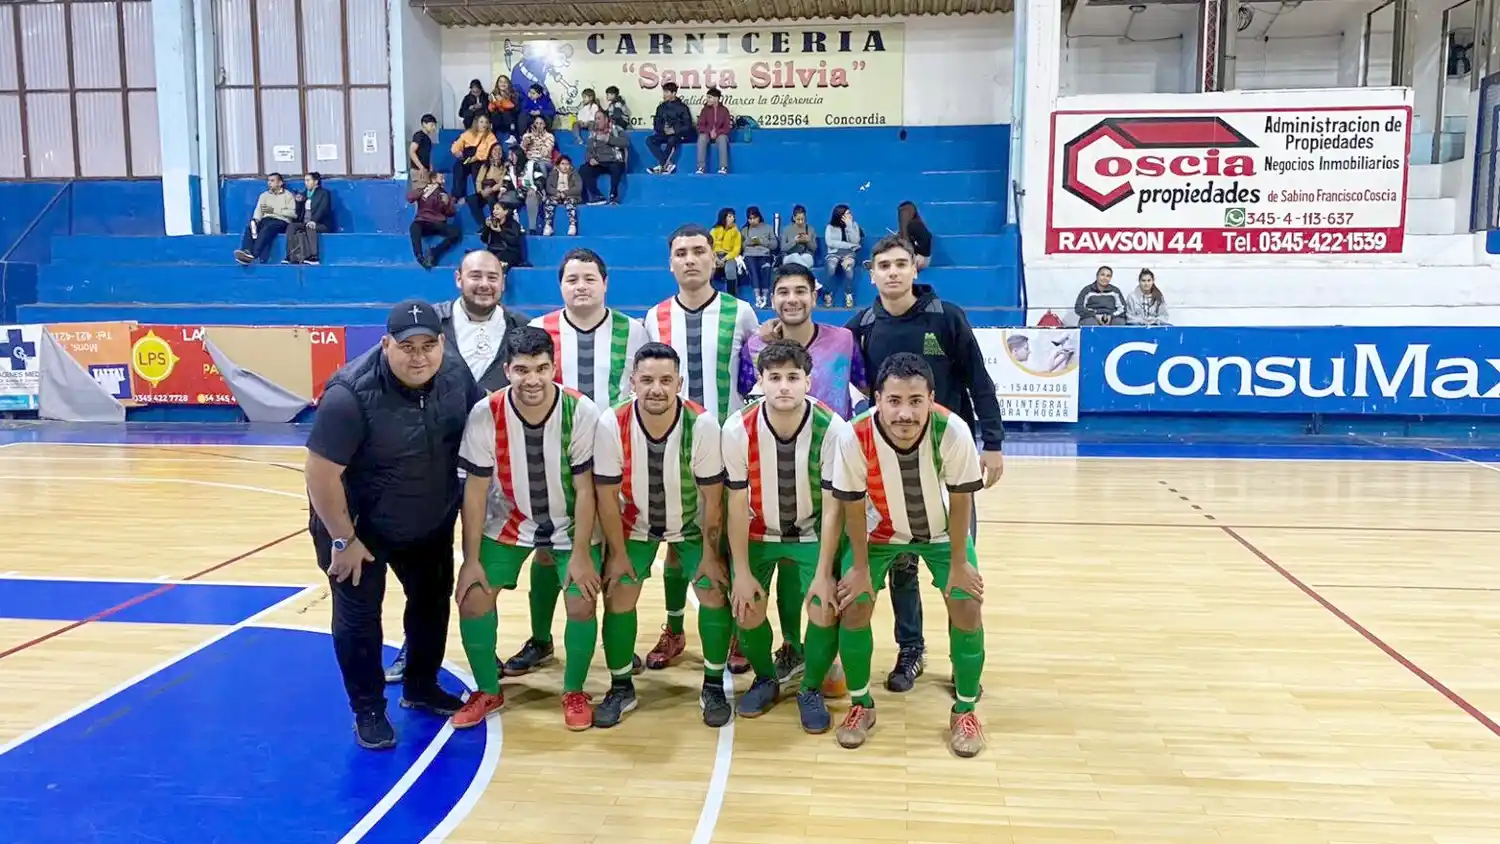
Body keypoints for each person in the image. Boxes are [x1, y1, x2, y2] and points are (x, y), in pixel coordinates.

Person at [304, 299, 483, 749]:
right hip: (358, 528)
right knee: (359, 619)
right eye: (407, 346)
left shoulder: (457, 377)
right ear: (386, 345)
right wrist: (342, 540)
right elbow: (320, 473)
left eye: (428, 345)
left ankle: (420, 686)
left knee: (430, 603)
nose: (418, 356)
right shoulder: (349, 395)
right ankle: (367, 709)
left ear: (442, 344)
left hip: (426, 519)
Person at [846, 234, 1005, 695]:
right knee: (900, 567)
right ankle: (910, 648)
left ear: (915, 269)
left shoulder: (947, 317)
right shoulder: (862, 325)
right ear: (871, 273)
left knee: (958, 564)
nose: (893, 272)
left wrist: (991, 442)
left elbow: (979, 381)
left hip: (948, 466)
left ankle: (964, 656)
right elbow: (820, 355)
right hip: (892, 465)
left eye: (901, 264)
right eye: (883, 265)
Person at [495, 248, 647, 680]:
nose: (581, 286)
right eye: (572, 279)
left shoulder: (631, 330)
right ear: (560, 285)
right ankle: (542, 640)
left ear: (605, 283)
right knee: (548, 552)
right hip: (549, 460)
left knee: (610, 551)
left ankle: (615, 645)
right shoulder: (539, 329)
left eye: (589, 278)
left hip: (614, 460)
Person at [827, 352, 988, 757]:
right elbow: (850, 504)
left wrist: (957, 564)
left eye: (916, 401)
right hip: (879, 533)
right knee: (855, 605)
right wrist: (860, 569)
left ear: (931, 399)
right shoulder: (853, 435)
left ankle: (965, 710)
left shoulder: (952, 430)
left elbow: (962, 497)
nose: (904, 413)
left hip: (940, 532)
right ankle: (861, 704)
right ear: (876, 399)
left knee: (966, 604)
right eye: (894, 401)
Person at [384, 250, 531, 686]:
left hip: (499, 468)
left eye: (492, 276)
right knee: (427, 572)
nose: (484, 284)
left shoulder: (524, 327)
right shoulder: (431, 324)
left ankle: (488, 652)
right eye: (475, 276)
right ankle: (417, 649)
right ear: (458, 278)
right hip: (434, 463)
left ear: (503, 281)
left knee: (485, 561)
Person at [450, 326, 603, 730]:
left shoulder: (580, 411)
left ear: (554, 366)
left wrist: (584, 554)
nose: (532, 379)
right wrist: (469, 560)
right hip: (509, 522)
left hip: (570, 524)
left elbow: (587, 490)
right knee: (472, 598)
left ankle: (573, 690)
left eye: (541, 368)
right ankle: (488, 690)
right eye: (521, 370)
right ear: (506, 370)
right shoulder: (486, 413)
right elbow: (476, 492)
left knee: (582, 600)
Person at [733, 263, 862, 688]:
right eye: (783, 291)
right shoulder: (756, 345)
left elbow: (866, 386)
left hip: (829, 465)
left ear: (815, 294)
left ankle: (821, 650)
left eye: (800, 291)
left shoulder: (843, 339)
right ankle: (789, 644)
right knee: (782, 561)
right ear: (772, 299)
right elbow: (745, 392)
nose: (792, 299)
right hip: (774, 461)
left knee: (817, 564)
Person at [591, 342, 731, 728]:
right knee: (618, 590)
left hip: (690, 524)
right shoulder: (611, 422)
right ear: (633, 382)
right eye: (647, 380)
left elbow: (712, 497)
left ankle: (714, 684)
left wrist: (709, 553)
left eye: (666, 380)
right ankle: (621, 687)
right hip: (634, 524)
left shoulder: (701, 424)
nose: (657, 388)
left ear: (679, 383)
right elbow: (605, 495)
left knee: (713, 590)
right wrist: (617, 554)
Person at [643, 224, 758, 670]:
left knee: (726, 540)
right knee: (675, 540)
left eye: (698, 252)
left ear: (715, 259)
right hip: (670, 448)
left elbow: (753, 383)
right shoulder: (654, 318)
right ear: (670, 263)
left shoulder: (742, 313)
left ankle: (735, 630)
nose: (690, 259)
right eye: (681, 253)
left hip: (727, 449)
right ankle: (674, 629)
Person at [722, 340, 851, 732]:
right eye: (774, 377)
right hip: (760, 532)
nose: (783, 386)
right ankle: (765, 677)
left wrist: (825, 572)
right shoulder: (737, 427)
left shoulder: (833, 428)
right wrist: (741, 572)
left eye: (792, 377)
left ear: (808, 382)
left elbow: (833, 508)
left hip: (813, 533)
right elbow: (735, 505)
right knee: (746, 605)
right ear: (760, 381)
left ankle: (810, 687)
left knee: (824, 607)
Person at [233, 172, 297, 265]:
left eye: (272, 181)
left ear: (280, 183)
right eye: (268, 181)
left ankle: (254, 254)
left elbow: (292, 213)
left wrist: (273, 210)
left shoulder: (288, 195)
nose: (269, 183)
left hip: (282, 221)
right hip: (266, 219)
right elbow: (259, 210)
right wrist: (255, 220)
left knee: (267, 228)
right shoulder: (264, 196)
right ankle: (246, 251)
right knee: (251, 227)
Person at [407, 174, 462, 269]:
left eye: (444, 179)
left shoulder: (445, 194)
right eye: (441, 178)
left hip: (438, 224)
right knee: (414, 227)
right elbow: (410, 198)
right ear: (433, 179)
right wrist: (423, 191)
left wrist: (447, 203)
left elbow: (451, 213)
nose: (444, 181)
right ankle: (419, 256)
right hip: (423, 221)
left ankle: (435, 252)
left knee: (456, 232)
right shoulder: (424, 190)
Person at [646, 82, 694, 174]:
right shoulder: (661, 107)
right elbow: (656, 124)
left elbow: (688, 126)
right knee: (649, 140)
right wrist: (663, 129)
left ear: (674, 93)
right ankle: (666, 164)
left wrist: (674, 130)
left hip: (678, 134)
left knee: (672, 140)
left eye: (667, 92)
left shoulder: (683, 108)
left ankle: (661, 166)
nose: (664, 95)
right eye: (664, 92)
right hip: (664, 133)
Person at [287, 171, 332, 265]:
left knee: (310, 226)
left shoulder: (324, 193)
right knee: (292, 226)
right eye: (305, 181)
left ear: (316, 182)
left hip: (321, 224)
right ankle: (290, 255)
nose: (306, 183)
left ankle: (314, 257)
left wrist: (314, 221)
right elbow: (299, 214)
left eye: (308, 180)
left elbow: (323, 209)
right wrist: (298, 202)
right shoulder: (304, 194)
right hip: (305, 222)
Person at [695, 86, 732, 174]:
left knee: (723, 139)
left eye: (709, 97)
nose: (707, 99)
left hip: (720, 134)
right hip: (707, 133)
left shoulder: (724, 110)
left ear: (716, 99)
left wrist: (717, 132)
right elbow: (700, 125)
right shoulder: (704, 110)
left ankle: (723, 167)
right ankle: (701, 167)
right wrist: (709, 131)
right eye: (707, 97)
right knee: (701, 138)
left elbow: (727, 127)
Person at [897, 201, 932, 270]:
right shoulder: (909, 225)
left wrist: (916, 251)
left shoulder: (914, 225)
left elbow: (927, 238)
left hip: (920, 258)